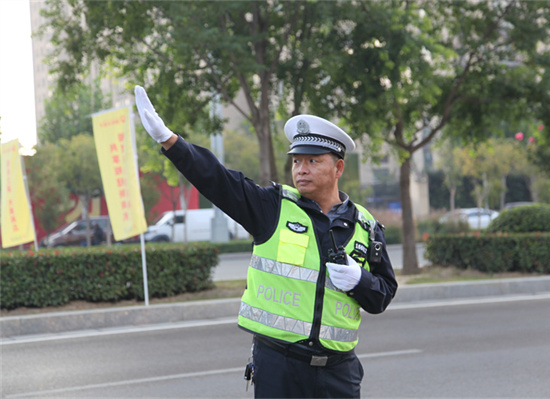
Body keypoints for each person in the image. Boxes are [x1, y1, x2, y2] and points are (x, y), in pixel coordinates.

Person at [135, 85, 397, 398]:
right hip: (279, 367)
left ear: (338, 167)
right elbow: (218, 179)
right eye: (297, 161)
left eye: (313, 161)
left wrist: (360, 281)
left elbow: (382, 296)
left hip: (338, 373)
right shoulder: (272, 208)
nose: (301, 170)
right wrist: (170, 141)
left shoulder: (367, 227)